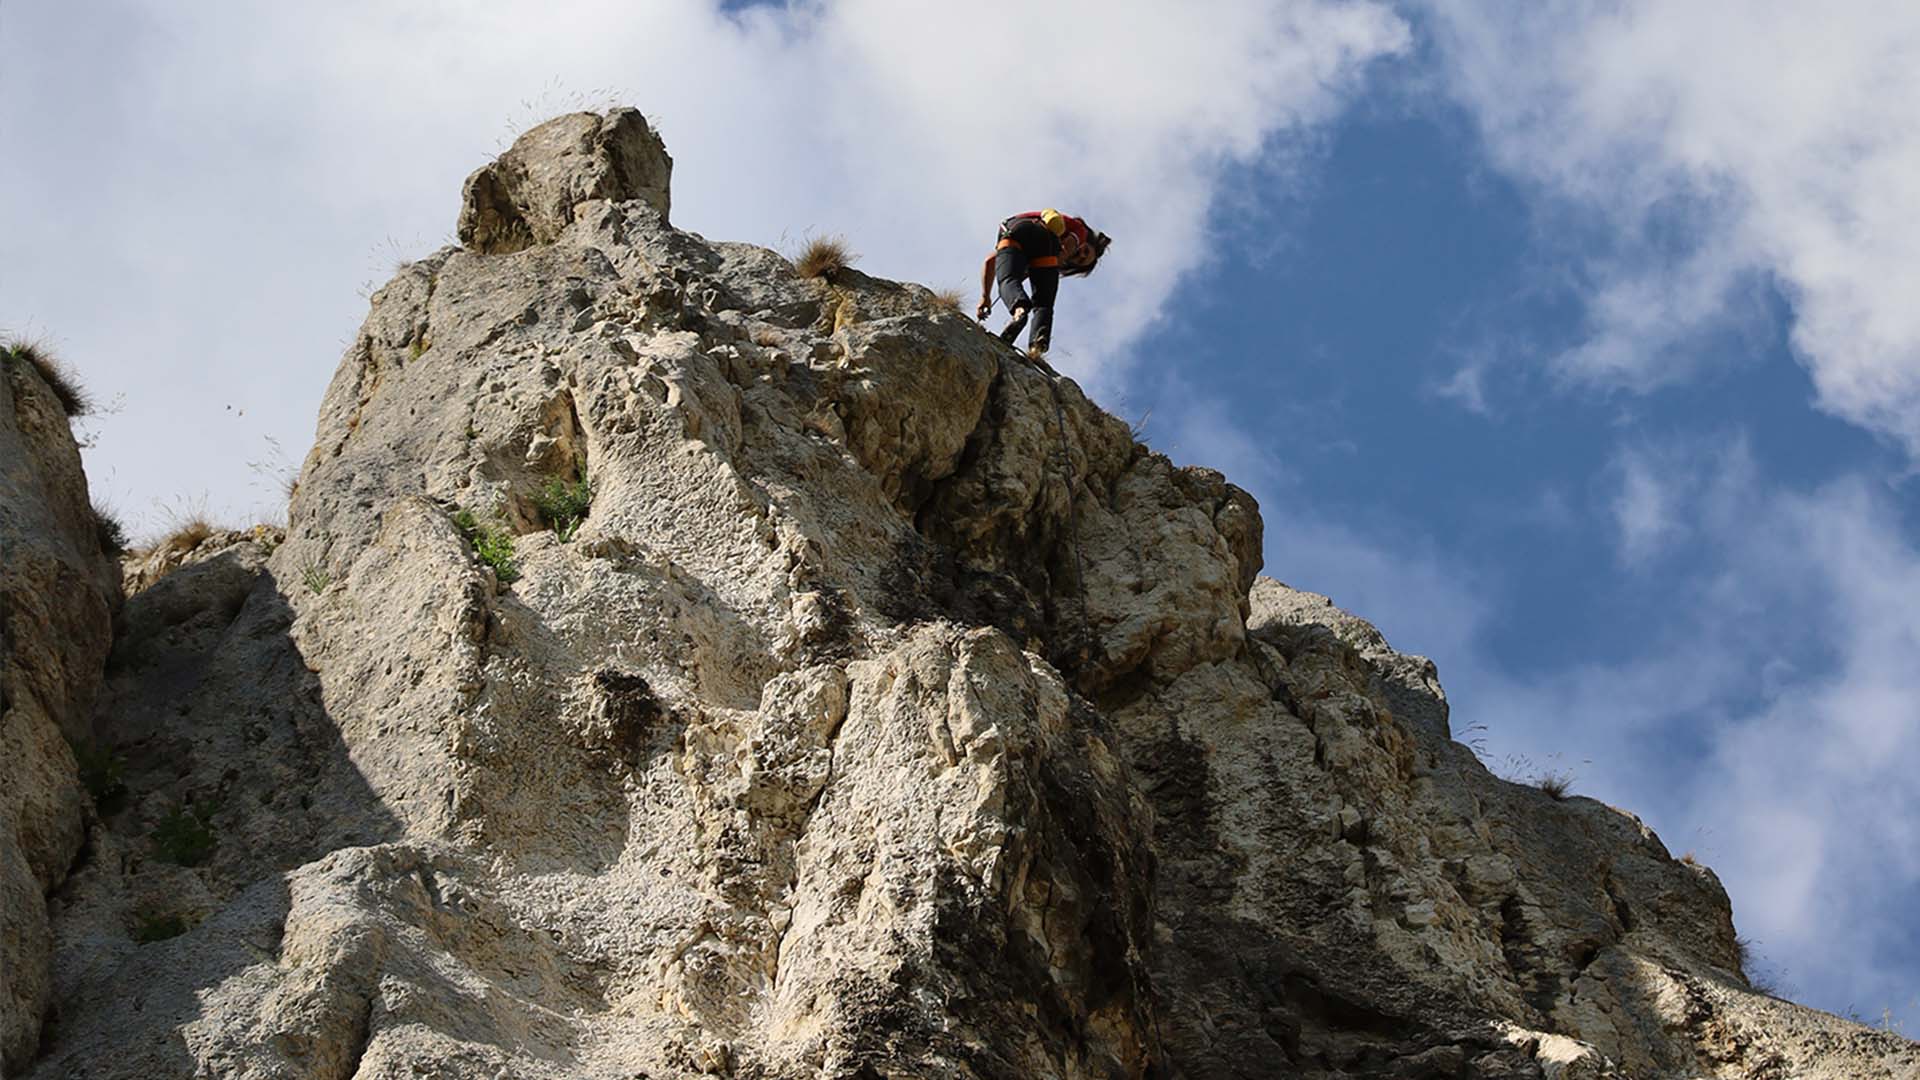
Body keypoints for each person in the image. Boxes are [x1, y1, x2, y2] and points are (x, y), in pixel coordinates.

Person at [976, 209, 1110, 355]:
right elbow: (1069, 245)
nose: (1080, 255)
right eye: (1086, 252)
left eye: (1081, 261)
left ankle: (1019, 313)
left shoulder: (1057, 248)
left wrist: (985, 297)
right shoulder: (1080, 231)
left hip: (1016, 232)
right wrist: (1048, 269)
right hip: (1039, 238)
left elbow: (990, 261)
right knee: (1044, 303)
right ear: (1087, 242)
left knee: (1009, 281)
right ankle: (1038, 343)